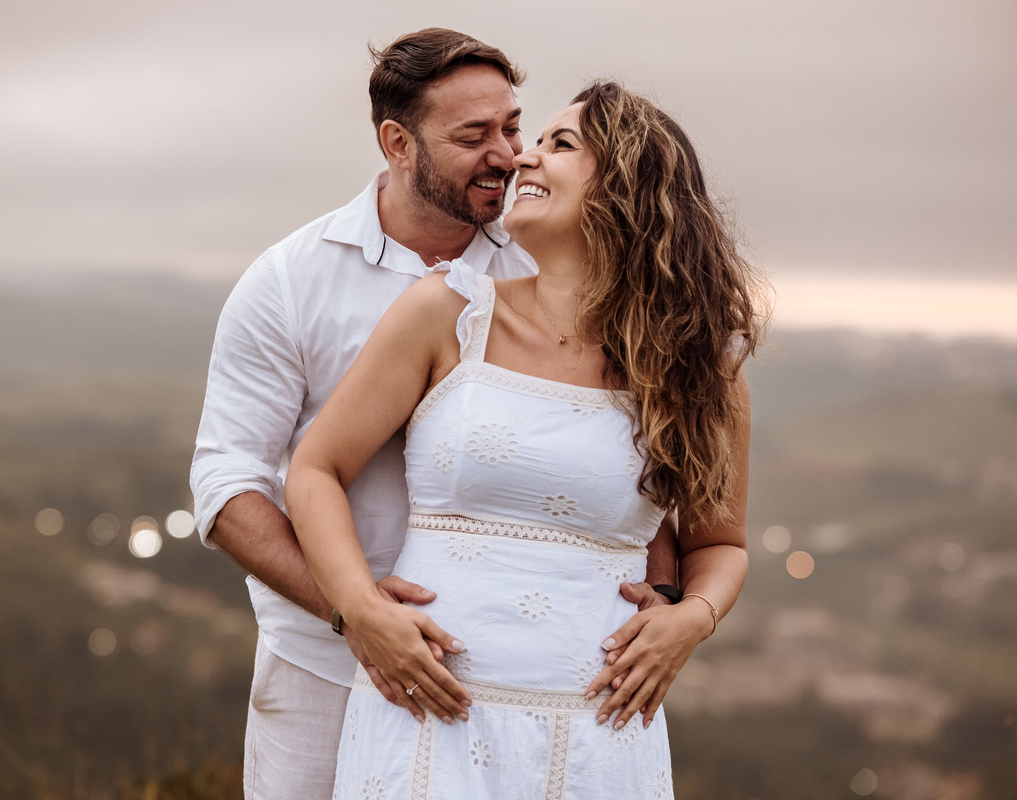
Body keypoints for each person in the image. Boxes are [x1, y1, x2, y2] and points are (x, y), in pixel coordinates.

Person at [191, 30, 681, 799]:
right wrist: (355, 613)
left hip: (524, 687)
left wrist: (672, 596)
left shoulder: (547, 257)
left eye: (513, 127)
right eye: (472, 136)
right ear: (397, 143)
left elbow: (618, 454)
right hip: (322, 662)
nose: (508, 154)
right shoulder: (290, 280)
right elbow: (226, 488)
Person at [285, 80, 767, 799]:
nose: (524, 160)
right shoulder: (446, 313)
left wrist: (690, 621)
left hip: (600, 730)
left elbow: (719, 545)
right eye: (535, 142)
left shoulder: (698, 368)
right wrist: (359, 608)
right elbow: (316, 468)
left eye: (560, 144)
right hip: (427, 716)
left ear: (628, 189)